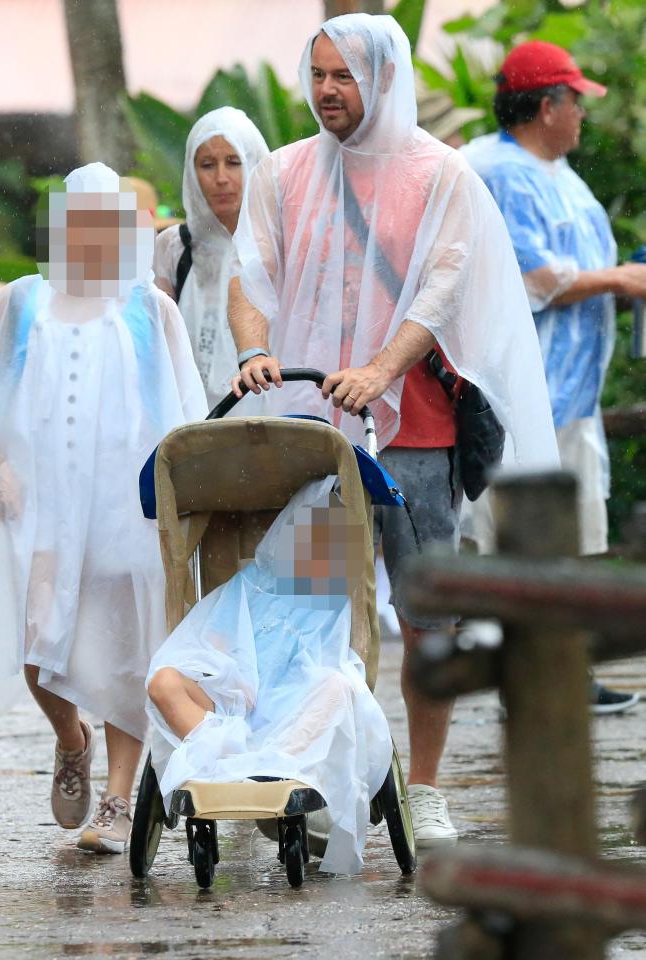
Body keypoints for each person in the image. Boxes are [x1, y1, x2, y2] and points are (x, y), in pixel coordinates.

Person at [227, 14, 558, 844]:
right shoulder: (284, 171)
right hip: (309, 437)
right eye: (320, 74)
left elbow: (442, 290)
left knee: (426, 616)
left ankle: (426, 786)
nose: (328, 90)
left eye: (345, 76)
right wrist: (253, 347)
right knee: (307, 611)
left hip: (413, 435)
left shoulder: (439, 175)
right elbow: (250, 272)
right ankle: (306, 773)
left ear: (384, 79)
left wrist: (380, 369)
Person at [0, 163, 208, 852]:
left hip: (126, 505)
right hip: (42, 506)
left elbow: (181, 407)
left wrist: (180, 496)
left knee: (130, 648)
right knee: (37, 641)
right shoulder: (23, 303)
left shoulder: (149, 307)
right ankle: (72, 738)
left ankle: (120, 804)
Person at [462, 41, 646, 713]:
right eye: (576, 102)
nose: (583, 117)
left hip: (571, 394)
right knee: (523, 539)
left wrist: (618, 281)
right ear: (547, 106)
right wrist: (625, 278)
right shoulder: (496, 172)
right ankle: (530, 680)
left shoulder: (558, 172)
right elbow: (533, 276)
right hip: (520, 392)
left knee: (571, 543)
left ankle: (566, 672)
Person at [147, 476, 391, 875]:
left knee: (340, 684)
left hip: (293, 714)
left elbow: (327, 660)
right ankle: (223, 761)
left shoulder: (332, 601)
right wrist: (229, 672)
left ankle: (276, 769)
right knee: (164, 681)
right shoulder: (250, 583)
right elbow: (210, 637)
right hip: (230, 709)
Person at [154, 107, 269, 409]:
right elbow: (157, 342)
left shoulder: (278, 245)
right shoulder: (174, 247)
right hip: (191, 420)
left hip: (269, 411)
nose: (220, 178)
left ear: (254, 165)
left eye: (233, 162)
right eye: (207, 165)